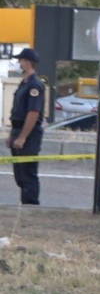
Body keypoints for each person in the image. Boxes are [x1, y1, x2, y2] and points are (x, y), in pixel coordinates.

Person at [8, 48, 45, 205]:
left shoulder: (34, 85)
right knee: (20, 174)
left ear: (27, 62)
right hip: (18, 129)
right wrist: (13, 135)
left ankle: (31, 205)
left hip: (28, 133)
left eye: (21, 60)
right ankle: (25, 203)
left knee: (28, 172)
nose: (19, 63)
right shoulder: (24, 83)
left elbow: (33, 113)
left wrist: (22, 137)